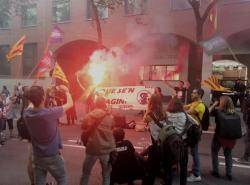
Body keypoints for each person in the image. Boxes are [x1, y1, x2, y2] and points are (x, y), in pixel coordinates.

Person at [24, 85, 73, 185]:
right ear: (43, 98)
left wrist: (33, 92)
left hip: (38, 155)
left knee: (39, 181)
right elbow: (70, 103)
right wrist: (67, 91)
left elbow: (30, 104)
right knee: (62, 178)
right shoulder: (50, 113)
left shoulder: (27, 114)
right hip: (53, 155)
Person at [80, 96, 116, 185]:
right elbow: (112, 127)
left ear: (95, 104)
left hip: (92, 149)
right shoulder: (109, 116)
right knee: (106, 175)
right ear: (104, 104)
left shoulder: (89, 116)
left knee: (86, 173)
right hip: (106, 149)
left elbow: (83, 127)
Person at [209, 96, 237, 181]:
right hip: (231, 137)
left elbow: (208, 112)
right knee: (228, 154)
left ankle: (216, 171)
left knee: (214, 152)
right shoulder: (234, 113)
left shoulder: (219, 112)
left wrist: (214, 104)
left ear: (222, 103)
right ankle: (229, 174)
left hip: (219, 135)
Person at [143, 94, 166, 185]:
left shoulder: (149, 113)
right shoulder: (163, 112)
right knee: (159, 153)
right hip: (163, 136)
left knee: (154, 155)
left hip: (155, 137)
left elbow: (145, 121)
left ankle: (153, 173)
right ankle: (161, 172)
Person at [164, 97, 188, 185]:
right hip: (181, 143)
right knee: (183, 167)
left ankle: (168, 182)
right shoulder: (184, 115)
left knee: (168, 167)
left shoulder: (166, 114)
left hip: (170, 143)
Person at [184, 88, 205, 182]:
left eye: (194, 93)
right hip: (190, 131)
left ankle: (197, 174)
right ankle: (193, 169)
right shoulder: (194, 103)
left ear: (199, 95)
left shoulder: (200, 106)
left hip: (195, 132)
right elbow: (185, 107)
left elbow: (188, 112)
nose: (192, 94)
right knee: (192, 151)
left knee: (195, 152)